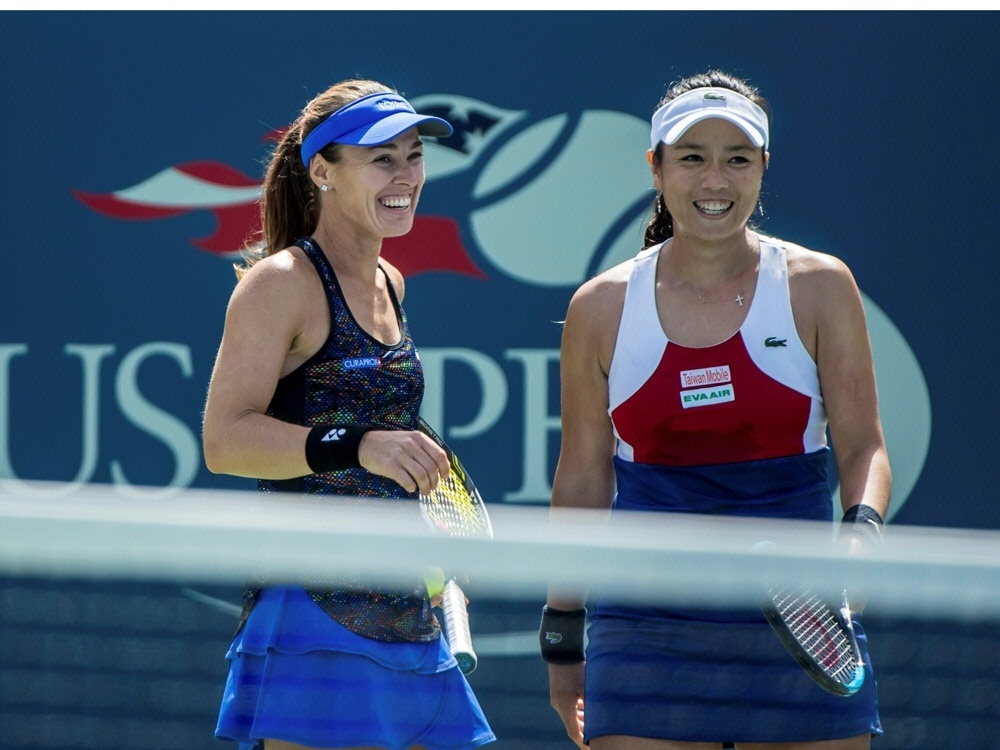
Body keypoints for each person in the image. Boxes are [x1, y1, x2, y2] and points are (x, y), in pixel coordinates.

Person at [541, 70, 891, 750]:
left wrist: (861, 537)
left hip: (800, 614)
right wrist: (562, 634)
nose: (715, 180)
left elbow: (863, 446)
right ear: (657, 168)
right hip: (646, 622)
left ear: (764, 167)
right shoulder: (600, 307)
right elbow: (583, 477)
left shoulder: (820, 286)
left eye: (737, 158)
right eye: (692, 157)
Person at [202, 79, 496, 750]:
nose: (406, 175)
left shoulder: (392, 281)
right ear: (323, 172)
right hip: (313, 609)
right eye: (381, 157)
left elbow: (395, 437)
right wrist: (355, 445)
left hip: (404, 605)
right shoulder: (279, 284)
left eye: (413, 154)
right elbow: (225, 439)